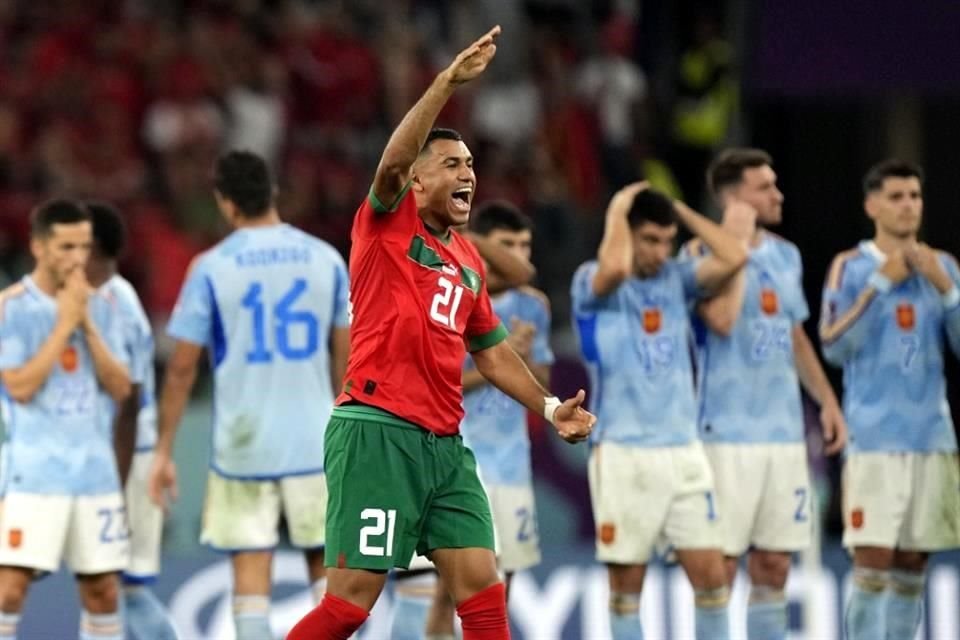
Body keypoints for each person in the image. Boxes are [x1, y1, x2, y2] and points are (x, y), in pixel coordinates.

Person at [286, 25, 595, 640]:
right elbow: (395, 159)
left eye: (472, 165)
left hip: (445, 447)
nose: (468, 174)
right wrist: (447, 83)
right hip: (377, 432)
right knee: (349, 605)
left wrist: (551, 404)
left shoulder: (470, 262)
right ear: (418, 184)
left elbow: (494, 352)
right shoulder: (383, 229)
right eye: (451, 164)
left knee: (482, 588)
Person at [148, 150, 351, 640]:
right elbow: (345, 356)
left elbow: (181, 368)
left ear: (225, 202)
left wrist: (162, 450)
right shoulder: (325, 258)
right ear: (273, 192)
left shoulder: (212, 266)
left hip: (244, 446)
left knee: (250, 578)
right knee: (329, 579)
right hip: (316, 442)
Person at [572, 182, 747, 640]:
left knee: (713, 578)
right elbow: (613, 266)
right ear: (627, 235)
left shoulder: (676, 277)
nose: (661, 252)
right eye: (650, 240)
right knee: (628, 587)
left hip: (684, 452)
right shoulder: (593, 282)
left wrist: (679, 208)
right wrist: (617, 204)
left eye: (667, 242)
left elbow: (734, 257)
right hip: (625, 453)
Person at [684, 148, 846, 640]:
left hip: (783, 435)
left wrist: (826, 401)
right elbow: (723, 320)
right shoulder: (696, 258)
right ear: (734, 197)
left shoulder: (786, 254)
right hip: (726, 434)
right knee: (722, 568)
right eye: (765, 187)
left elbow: (794, 335)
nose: (778, 194)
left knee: (774, 564)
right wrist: (734, 245)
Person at [819, 159, 960, 640]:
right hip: (874, 437)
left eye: (915, 196)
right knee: (872, 558)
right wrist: (881, 284)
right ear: (872, 205)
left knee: (913, 565)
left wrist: (947, 291)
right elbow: (835, 347)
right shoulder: (851, 267)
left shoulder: (945, 267)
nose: (908, 206)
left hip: (931, 436)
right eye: (897, 196)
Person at [0, 199, 131, 640]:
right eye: (66, 246)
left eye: (84, 246)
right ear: (38, 247)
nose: (78, 258)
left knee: (103, 593)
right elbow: (19, 387)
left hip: (94, 475)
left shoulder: (106, 304)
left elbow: (121, 387)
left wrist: (87, 323)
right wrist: (64, 325)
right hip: (32, 474)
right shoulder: (12, 308)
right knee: (8, 591)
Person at [85, 202, 179, 640]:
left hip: (125, 459)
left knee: (117, 588)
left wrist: (114, 481)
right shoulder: (108, 298)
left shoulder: (113, 302)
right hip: (126, 455)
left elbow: (127, 396)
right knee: (117, 588)